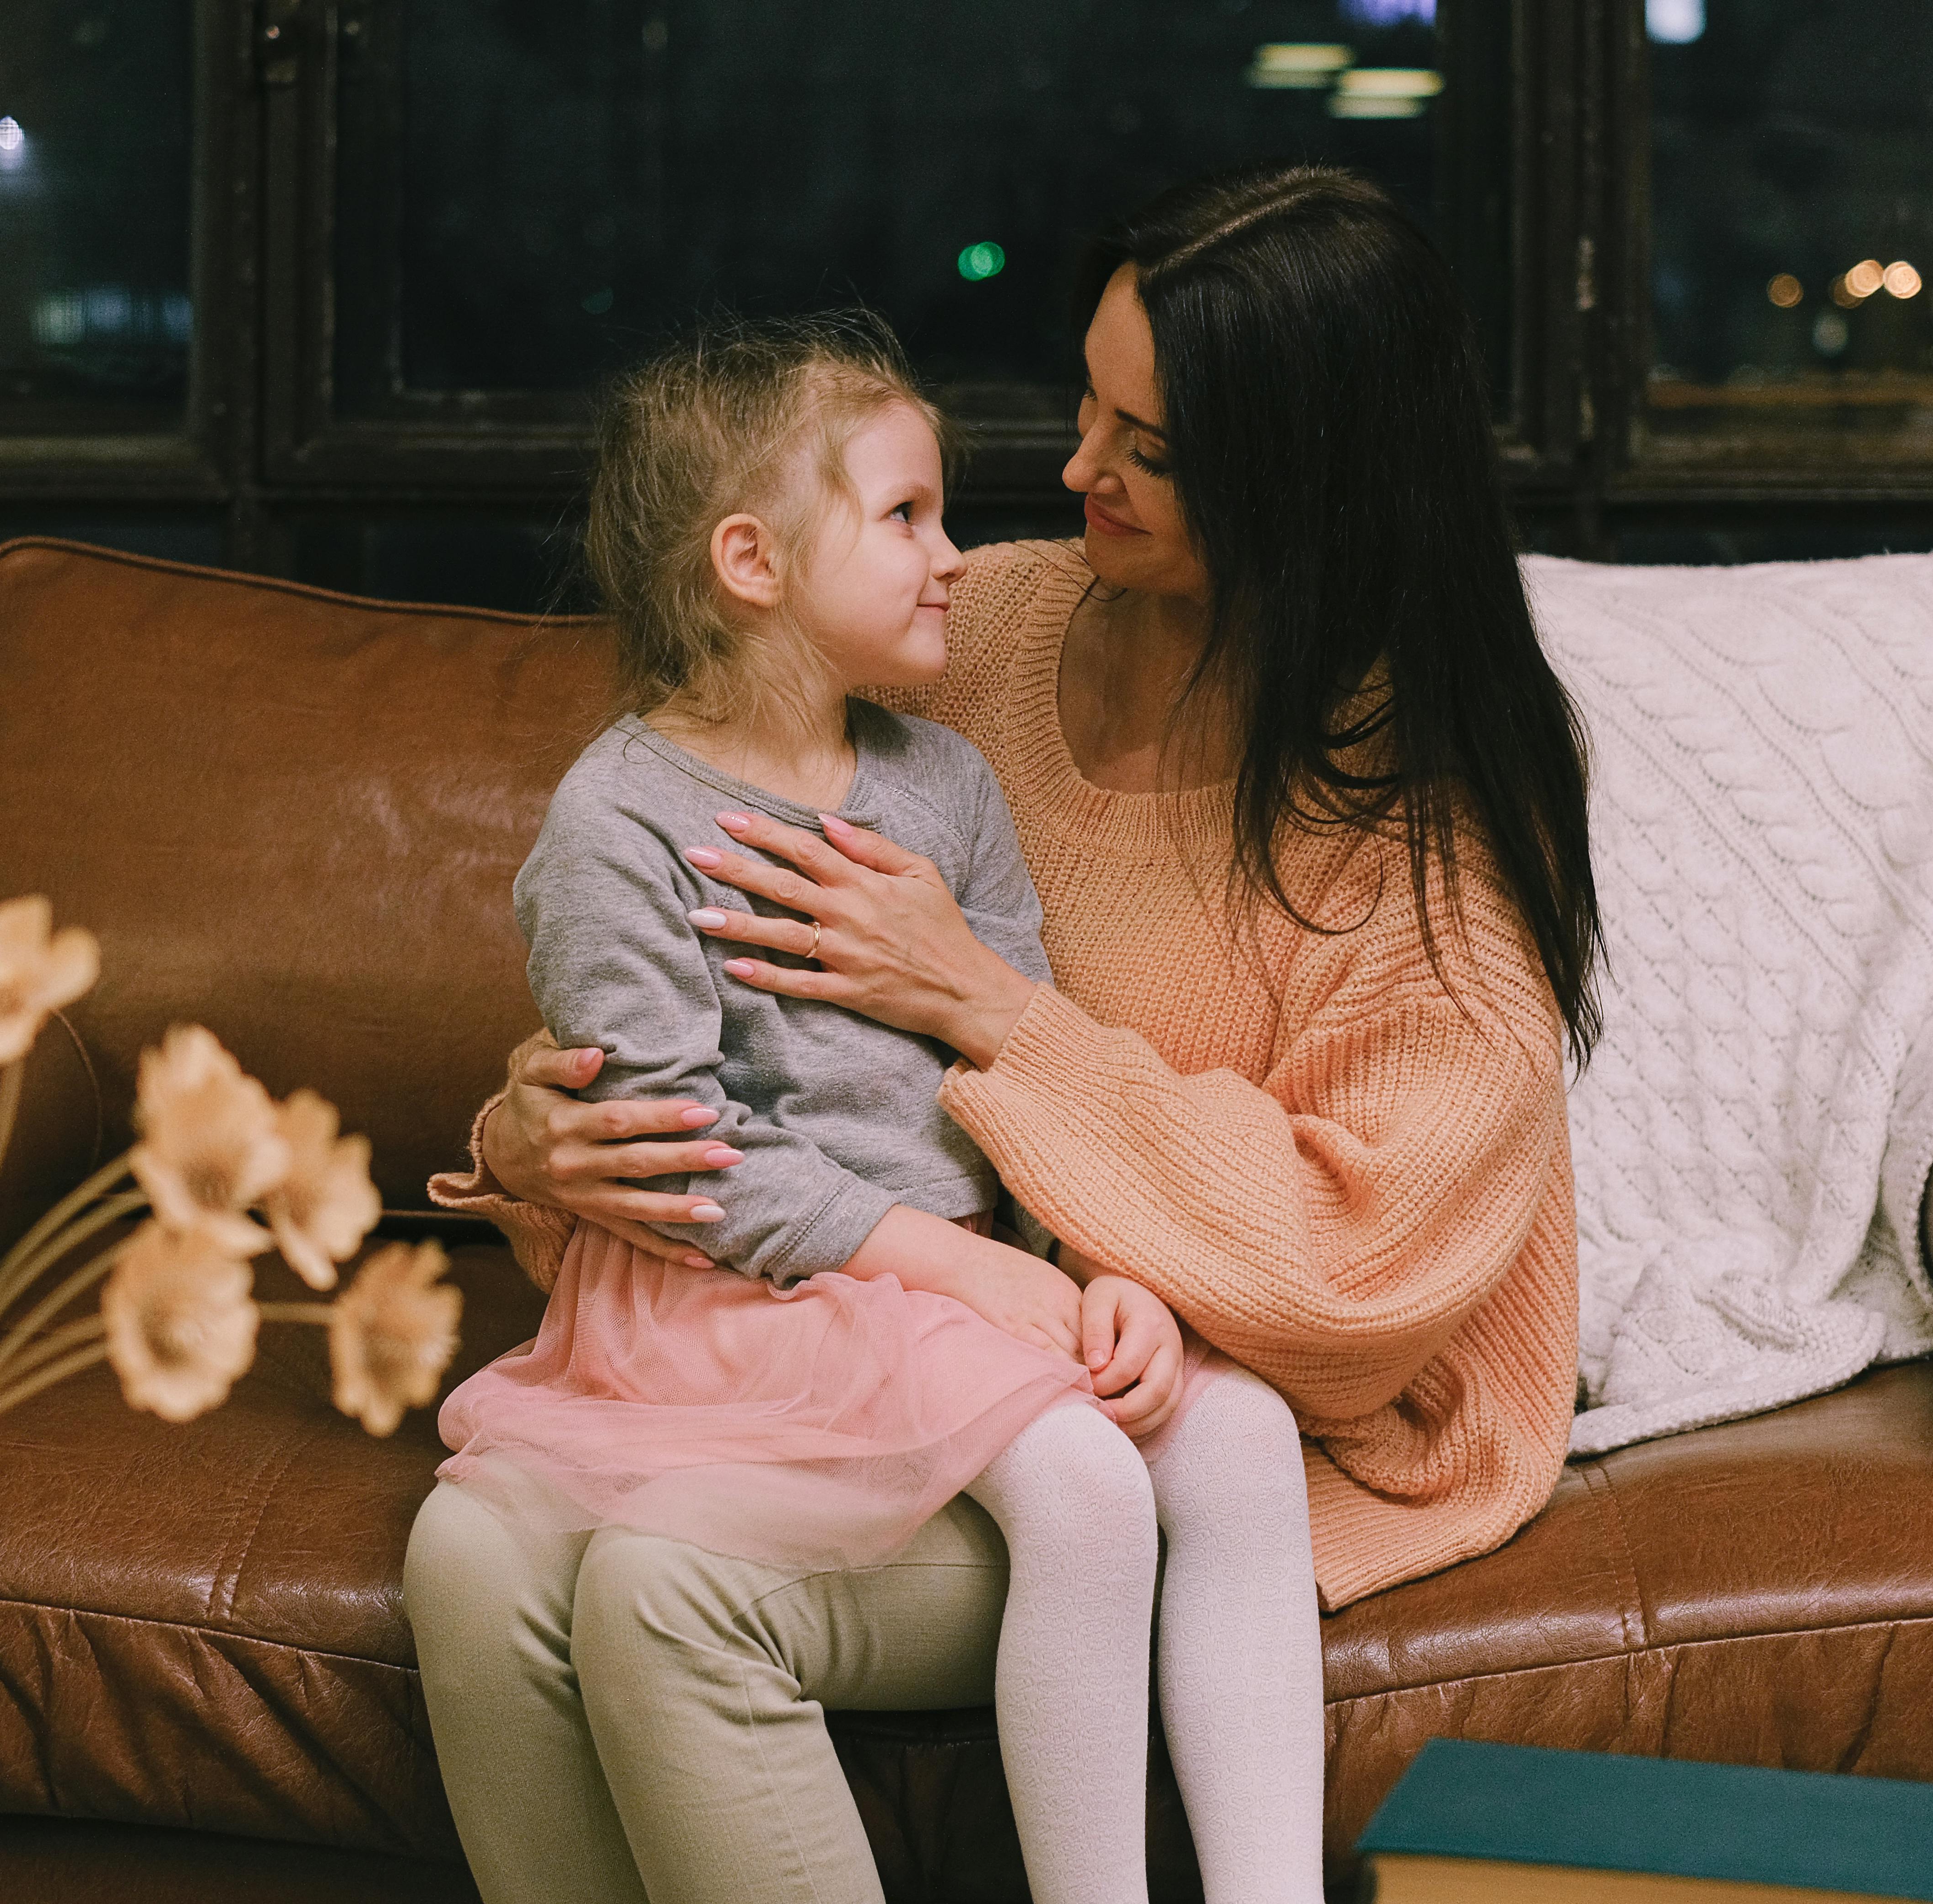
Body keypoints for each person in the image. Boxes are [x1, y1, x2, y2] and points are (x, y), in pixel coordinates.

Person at [422, 162, 1596, 1904]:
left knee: (669, 1589)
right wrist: (545, 1133)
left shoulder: (1419, 820)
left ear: (1309, 484)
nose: (1072, 474)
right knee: (466, 1554)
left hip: (1228, 1402)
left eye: (1152, 446)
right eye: (1086, 402)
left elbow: (1345, 1279)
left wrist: (991, 1015)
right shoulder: (979, 643)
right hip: (910, 1312)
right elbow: (745, 1015)